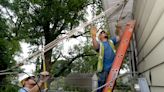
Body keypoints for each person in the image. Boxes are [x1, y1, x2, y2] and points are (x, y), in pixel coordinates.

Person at [90, 26, 122, 92]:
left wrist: (119, 29)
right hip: (104, 69)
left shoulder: (111, 41)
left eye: (104, 32)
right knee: (101, 83)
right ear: (99, 37)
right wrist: (93, 36)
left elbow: (119, 37)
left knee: (112, 85)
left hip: (113, 67)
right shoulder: (100, 44)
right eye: (102, 32)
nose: (104, 32)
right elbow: (95, 46)